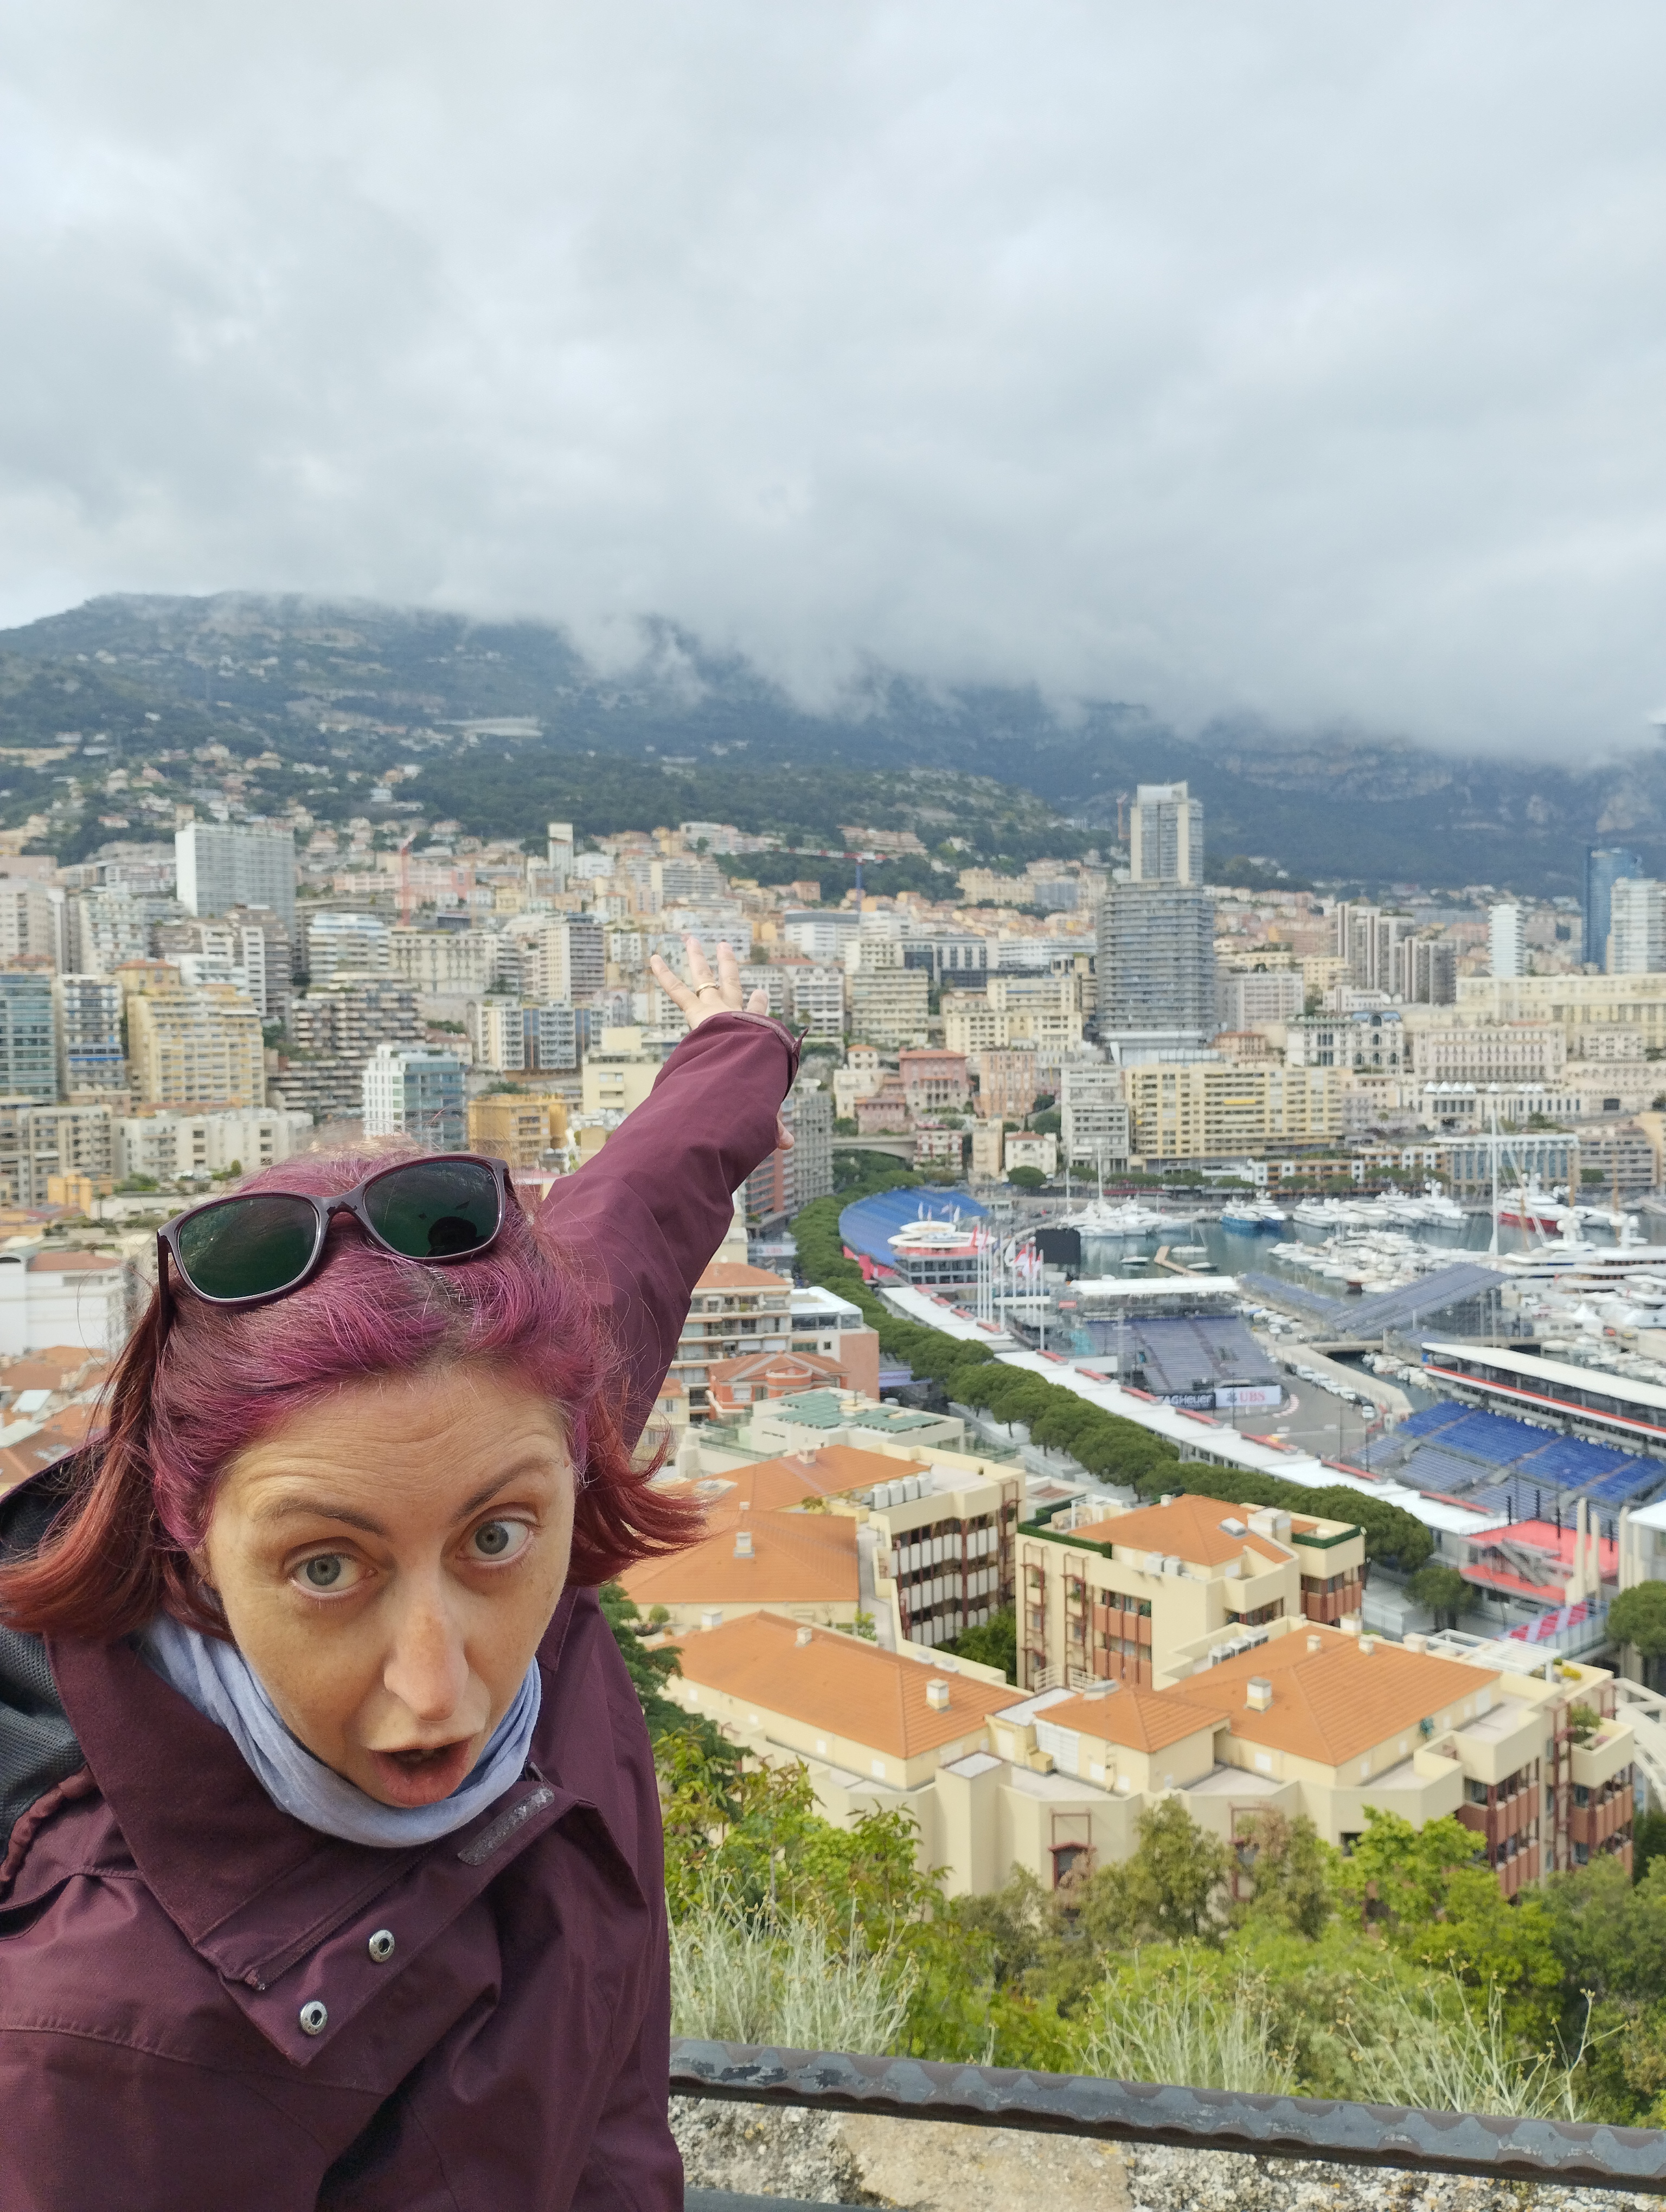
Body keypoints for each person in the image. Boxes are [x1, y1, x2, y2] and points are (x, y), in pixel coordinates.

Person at [0, 939, 796, 2210]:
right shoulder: (104, 2026)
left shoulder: (503, 1436)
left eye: (494, 1542)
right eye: (329, 1566)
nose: (441, 1692)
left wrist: (733, 1048)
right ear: (184, 1527)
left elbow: (642, 1205)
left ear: (571, 1462)